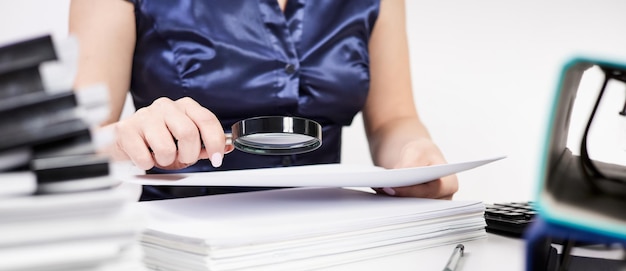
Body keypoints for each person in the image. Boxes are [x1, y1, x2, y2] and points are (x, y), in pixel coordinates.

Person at [68, 0, 458, 200]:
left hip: (330, 235)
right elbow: (78, 142)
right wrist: (123, 138)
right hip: (181, 243)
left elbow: (394, 119)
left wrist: (415, 154)